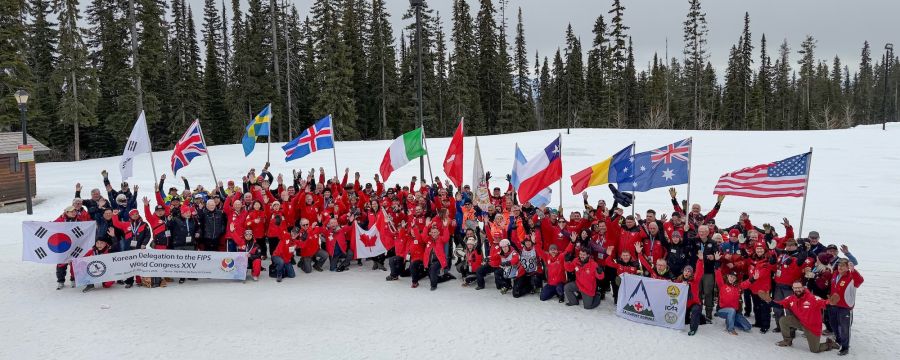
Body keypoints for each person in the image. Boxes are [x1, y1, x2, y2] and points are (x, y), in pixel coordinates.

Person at [774, 280, 839, 353]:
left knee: (815, 349)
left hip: (812, 327)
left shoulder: (812, 298)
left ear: (803, 287)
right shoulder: (791, 298)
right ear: (792, 288)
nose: (797, 290)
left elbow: (823, 303)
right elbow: (780, 304)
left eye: (799, 287)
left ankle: (830, 344)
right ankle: (787, 341)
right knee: (783, 320)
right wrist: (769, 301)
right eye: (795, 288)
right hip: (801, 322)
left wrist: (830, 303)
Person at [828, 259, 864, 356]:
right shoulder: (835, 274)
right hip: (833, 304)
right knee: (833, 324)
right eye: (839, 265)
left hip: (845, 306)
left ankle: (845, 347)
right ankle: (839, 340)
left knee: (844, 327)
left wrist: (853, 270)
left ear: (848, 267)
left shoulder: (852, 276)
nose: (840, 267)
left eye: (843, 265)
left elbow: (860, 281)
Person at [111, 209, 151, 288]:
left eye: (136, 214)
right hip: (128, 248)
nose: (135, 215)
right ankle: (130, 281)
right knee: (130, 265)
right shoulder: (126, 224)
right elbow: (116, 223)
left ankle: (139, 280)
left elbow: (148, 235)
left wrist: (144, 244)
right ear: (130, 216)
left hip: (140, 248)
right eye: (133, 214)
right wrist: (115, 215)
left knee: (140, 264)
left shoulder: (144, 224)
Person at [714, 259, 753, 335]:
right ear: (728, 276)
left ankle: (731, 320)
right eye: (731, 276)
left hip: (734, 312)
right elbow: (718, 275)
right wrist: (717, 264)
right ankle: (730, 329)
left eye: (734, 278)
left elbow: (745, 284)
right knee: (731, 310)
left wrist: (753, 279)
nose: (732, 279)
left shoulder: (737, 287)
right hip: (722, 311)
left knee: (748, 327)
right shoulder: (722, 285)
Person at [168, 205, 200, 283]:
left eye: (189, 212)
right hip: (178, 243)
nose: (188, 214)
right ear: (182, 213)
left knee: (190, 261)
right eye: (186, 212)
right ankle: (182, 276)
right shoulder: (175, 219)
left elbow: (198, 228)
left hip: (190, 243)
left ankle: (190, 275)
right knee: (181, 261)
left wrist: (198, 232)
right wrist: (169, 221)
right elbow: (168, 229)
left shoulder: (193, 219)